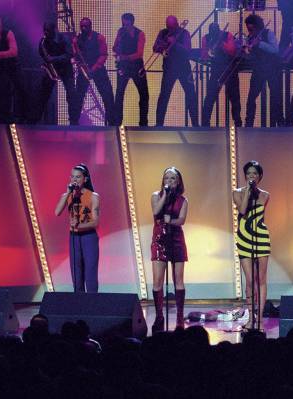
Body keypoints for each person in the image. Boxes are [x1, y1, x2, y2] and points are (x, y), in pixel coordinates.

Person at [233, 161, 270, 330]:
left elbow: (256, 213)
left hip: (260, 237)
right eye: (248, 173)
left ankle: (260, 320)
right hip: (244, 237)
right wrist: (247, 191)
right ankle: (250, 318)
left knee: (261, 279)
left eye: (255, 174)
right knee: (249, 280)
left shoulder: (265, 195)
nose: (251, 176)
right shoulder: (237, 193)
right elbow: (242, 210)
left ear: (259, 176)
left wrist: (252, 191)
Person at [150, 167, 188, 332]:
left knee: (178, 279)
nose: (169, 181)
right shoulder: (156, 196)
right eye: (167, 178)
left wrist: (170, 221)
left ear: (178, 181)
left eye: (173, 179)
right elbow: (156, 211)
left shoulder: (183, 200)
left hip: (176, 239)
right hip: (160, 239)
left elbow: (181, 220)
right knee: (157, 281)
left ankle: (180, 316)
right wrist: (165, 195)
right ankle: (159, 316)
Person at [54, 164, 100, 293]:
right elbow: (57, 212)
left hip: (89, 237)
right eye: (73, 177)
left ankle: (92, 305)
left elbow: (95, 222)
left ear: (85, 179)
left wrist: (79, 226)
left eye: (78, 177)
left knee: (90, 273)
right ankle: (79, 305)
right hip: (74, 238)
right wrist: (68, 192)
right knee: (76, 274)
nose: (75, 180)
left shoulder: (93, 196)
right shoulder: (68, 195)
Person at [154, 16, 198, 127]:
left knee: (191, 94)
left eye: (172, 26)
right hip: (169, 68)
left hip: (184, 68)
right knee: (164, 96)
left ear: (177, 24)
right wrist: (164, 45)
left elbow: (188, 51)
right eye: (168, 26)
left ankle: (196, 124)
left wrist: (175, 43)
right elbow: (155, 47)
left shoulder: (184, 33)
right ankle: (159, 124)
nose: (170, 29)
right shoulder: (163, 33)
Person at [243, 14, 284, 127]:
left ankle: (280, 122)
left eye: (251, 28)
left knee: (276, 96)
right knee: (251, 97)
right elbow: (248, 54)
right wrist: (247, 50)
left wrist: (260, 44)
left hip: (271, 69)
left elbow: (275, 50)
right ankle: (249, 123)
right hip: (258, 69)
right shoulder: (250, 37)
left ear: (257, 26)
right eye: (248, 29)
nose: (250, 31)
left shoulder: (268, 33)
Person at [73, 17, 116, 126]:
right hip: (84, 70)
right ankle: (73, 123)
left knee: (107, 96)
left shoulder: (99, 38)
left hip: (98, 70)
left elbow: (104, 55)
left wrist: (94, 68)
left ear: (90, 26)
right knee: (78, 97)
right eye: (81, 26)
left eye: (85, 26)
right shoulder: (77, 40)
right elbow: (76, 55)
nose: (83, 28)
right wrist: (78, 61)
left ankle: (111, 124)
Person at [33, 21, 76, 124]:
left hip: (65, 69)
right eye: (44, 31)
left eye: (48, 31)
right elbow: (42, 52)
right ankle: (36, 119)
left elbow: (69, 55)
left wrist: (53, 59)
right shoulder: (43, 41)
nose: (45, 33)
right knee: (43, 94)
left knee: (71, 94)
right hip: (51, 70)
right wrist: (47, 61)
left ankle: (74, 121)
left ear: (53, 30)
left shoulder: (63, 39)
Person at [200, 22, 242, 127]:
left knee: (234, 97)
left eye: (215, 32)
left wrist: (222, 44)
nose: (213, 34)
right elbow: (204, 55)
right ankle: (205, 122)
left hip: (230, 69)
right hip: (216, 69)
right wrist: (210, 50)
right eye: (212, 32)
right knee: (210, 96)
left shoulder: (227, 35)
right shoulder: (206, 38)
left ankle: (238, 122)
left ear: (218, 30)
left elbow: (232, 51)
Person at [112, 13, 149, 126]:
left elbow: (139, 53)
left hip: (136, 66)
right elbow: (115, 46)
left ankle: (143, 123)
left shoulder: (140, 33)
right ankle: (117, 122)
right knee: (119, 94)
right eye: (123, 22)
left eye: (126, 22)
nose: (124, 24)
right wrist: (117, 52)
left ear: (131, 21)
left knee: (144, 94)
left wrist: (125, 57)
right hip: (123, 66)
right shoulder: (120, 32)